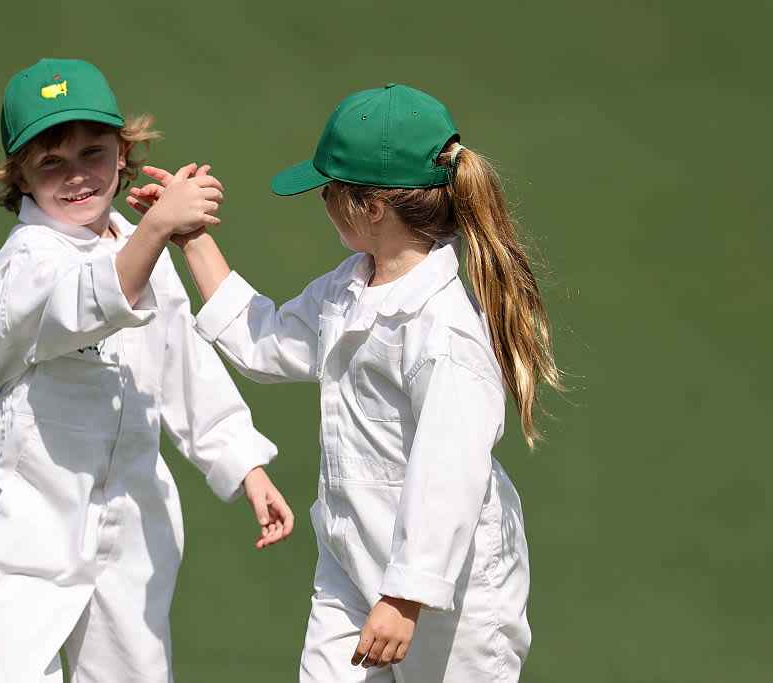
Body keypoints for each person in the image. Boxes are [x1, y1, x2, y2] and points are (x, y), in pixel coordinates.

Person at [129, 83, 562, 681]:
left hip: (451, 595)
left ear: (372, 208)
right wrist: (193, 239)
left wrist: (406, 597)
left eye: (328, 190)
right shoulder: (348, 287)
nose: (322, 201)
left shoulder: (445, 333)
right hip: (352, 565)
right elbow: (266, 341)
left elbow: (449, 474)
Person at [0, 58, 294, 683]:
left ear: (124, 155)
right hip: (33, 515)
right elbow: (82, 301)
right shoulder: (21, 264)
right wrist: (161, 226)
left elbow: (183, 369)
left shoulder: (140, 250)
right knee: (4, 668)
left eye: (93, 152)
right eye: (50, 161)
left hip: (134, 515)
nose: (77, 176)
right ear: (20, 177)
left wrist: (245, 463)